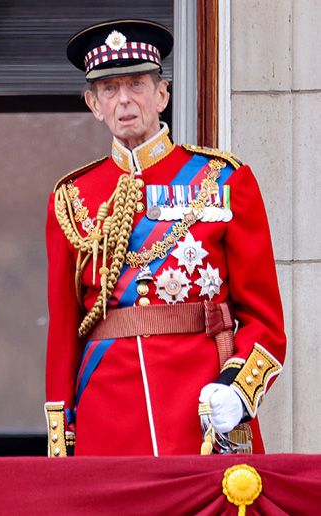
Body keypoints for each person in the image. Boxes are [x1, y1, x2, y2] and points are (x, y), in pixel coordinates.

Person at [44, 20, 286, 456]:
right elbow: (63, 337)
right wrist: (64, 444)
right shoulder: (72, 198)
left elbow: (265, 320)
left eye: (136, 84)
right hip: (108, 416)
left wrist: (239, 390)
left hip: (203, 405)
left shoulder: (223, 180)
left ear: (162, 94)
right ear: (93, 104)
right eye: (109, 89)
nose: (124, 100)